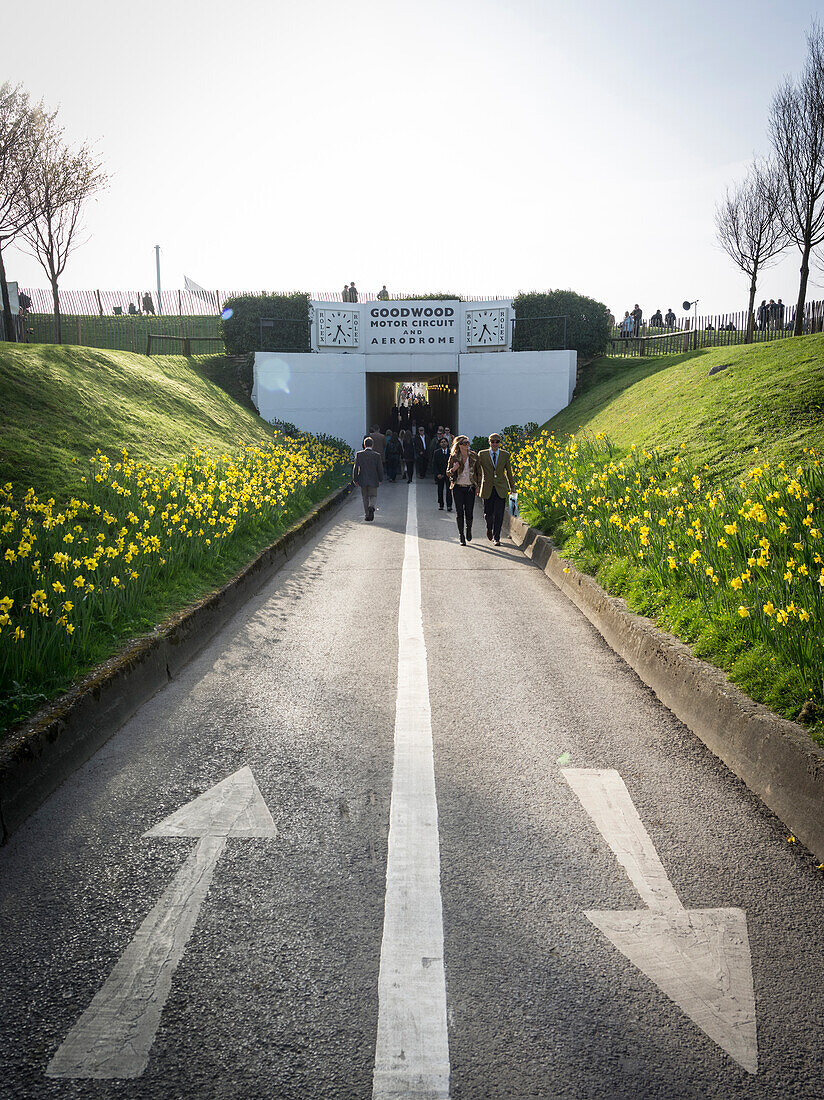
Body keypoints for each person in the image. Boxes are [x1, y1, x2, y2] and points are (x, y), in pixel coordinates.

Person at [478, 432, 515, 546]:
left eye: (497, 442)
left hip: (501, 487)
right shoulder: (482, 454)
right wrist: (477, 485)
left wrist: (512, 487)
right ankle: (489, 528)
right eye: (492, 442)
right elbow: (478, 471)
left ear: (500, 443)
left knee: (499, 514)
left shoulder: (505, 455)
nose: (495, 444)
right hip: (487, 486)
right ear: (489, 442)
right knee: (488, 514)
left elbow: (509, 471)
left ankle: (496, 537)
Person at [447, 435, 481, 546]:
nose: (466, 445)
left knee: (469, 513)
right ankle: (461, 535)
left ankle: (469, 529)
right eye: (463, 443)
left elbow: (478, 473)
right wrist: (454, 469)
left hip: (470, 487)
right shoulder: (454, 456)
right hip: (458, 487)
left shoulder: (474, 456)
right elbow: (448, 473)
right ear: (459, 445)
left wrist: (478, 487)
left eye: (467, 443)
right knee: (459, 512)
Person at [353, 436, 383, 521]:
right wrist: (380, 479)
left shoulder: (359, 454)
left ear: (364, 445)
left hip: (363, 479)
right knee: (373, 496)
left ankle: (367, 515)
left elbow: (355, 468)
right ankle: (372, 506)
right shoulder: (377, 455)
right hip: (374, 479)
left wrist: (355, 479)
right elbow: (380, 468)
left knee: (365, 497)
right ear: (372, 445)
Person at [432, 434, 453, 512]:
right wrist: (437, 474)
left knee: (449, 490)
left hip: (448, 474)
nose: (443, 443)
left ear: (447, 443)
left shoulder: (451, 452)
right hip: (440, 474)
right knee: (440, 490)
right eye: (442, 442)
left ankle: (449, 505)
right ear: (440, 444)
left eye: (445, 442)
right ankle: (441, 504)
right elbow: (434, 464)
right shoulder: (436, 452)